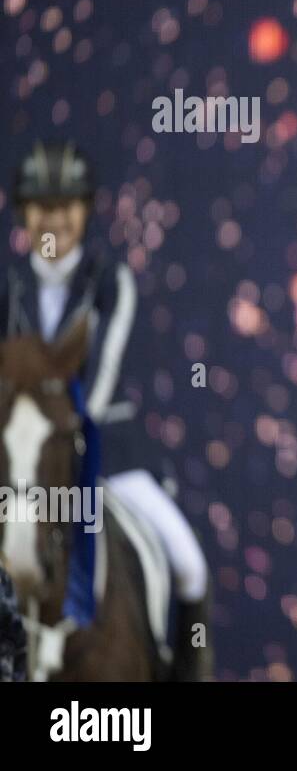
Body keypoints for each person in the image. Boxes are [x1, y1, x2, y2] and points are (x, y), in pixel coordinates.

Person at [1, 140, 210, 672]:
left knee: (190, 566)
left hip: (106, 453)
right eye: (42, 207)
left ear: (84, 211)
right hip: (20, 460)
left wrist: (55, 418)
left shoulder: (108, 280)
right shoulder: (8, 287)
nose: (54, 219)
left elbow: (99, 378)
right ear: (26, 213)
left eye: (65, 206)